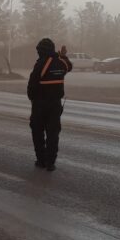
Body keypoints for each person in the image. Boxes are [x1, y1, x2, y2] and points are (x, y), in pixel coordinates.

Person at [27, 38, 72, 171]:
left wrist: (32, 97)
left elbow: (32, 83)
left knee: (37, 132)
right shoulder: (61, 62)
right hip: (55, 105)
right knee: (53, 133)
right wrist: (63, 55)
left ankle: (41, 160)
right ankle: (50, 162)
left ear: (42, 50)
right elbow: (69, 67)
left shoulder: (41, 63)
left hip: (40, 104)